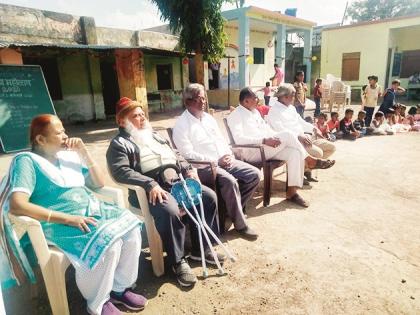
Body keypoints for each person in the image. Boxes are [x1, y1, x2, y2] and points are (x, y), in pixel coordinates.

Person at [1, 114, 146, 315]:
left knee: (131, 228)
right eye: (59, 131)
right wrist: (68, 219)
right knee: (108, 242)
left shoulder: (67, 158)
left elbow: (99, 184)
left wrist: (83, 152)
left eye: (64, 130)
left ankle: (119, 288)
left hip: (90, 211)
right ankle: (98, 303)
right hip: (58, 221)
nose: (65, 135)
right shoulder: (26, 161)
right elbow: (17, 205)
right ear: (41, 139)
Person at [106, 97, 222, 288]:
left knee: (208, 197)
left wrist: (189, 169)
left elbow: (177, 155)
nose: (142, 118)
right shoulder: (119, 144)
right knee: (169, 210)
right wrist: (149, 183)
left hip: (177, 181)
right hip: (151, 190)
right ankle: (177, 262)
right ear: (121, 121)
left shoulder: (156, 135)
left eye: (142, 114)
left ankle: (201, 249)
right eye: (136, 116)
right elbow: (121, 171)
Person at [172, 83, 260, 240]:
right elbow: (187, 154)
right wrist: (215, 161)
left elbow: (222, 140)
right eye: (200, 98)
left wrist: (228, 154)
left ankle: (227, 211)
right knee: (230, 182)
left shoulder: (208, 119)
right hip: (203, 167)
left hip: (223, 161)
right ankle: (240, 224)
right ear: (188, 101)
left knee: (254, 174)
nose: (204, 101)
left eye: (205, 97)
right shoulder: (182, 125)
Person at [226, 87, 335, 207]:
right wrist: (264, 140)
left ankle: (292, 193)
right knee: (287, 135)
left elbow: (266, 129)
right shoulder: (236, 115)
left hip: (265, 147)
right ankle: (309, 160)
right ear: (246, 101)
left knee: (294, 152)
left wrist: (274, 138)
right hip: (252, 151)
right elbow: (238, 139)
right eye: (255, 98)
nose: (258, 100)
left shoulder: (255, 112)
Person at [266, 84, 336, 181]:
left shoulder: (291, 108)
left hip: (305, 138)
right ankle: (303, 171)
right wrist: (298, 136)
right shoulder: (274, 111)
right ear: (285, 96)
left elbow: (301, 122)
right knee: (318, 153)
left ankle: (305, 170)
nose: (294, 98)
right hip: (291, 144)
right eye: (293, 95)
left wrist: (314, 129)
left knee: (331, 147)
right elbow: (281, 131)